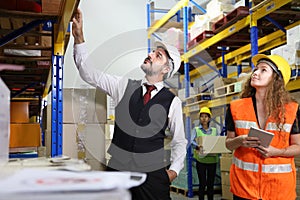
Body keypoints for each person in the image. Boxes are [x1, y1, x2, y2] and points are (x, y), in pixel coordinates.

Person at [72, 8, 187, 200]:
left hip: (153, 177)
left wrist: (174, 171)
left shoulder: (172, 101)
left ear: (166, 69)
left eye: (158, 55)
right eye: (152, 52)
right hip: (118, 171)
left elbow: (180, 141)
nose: (151, 55)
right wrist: (79, 37)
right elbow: (88, 73)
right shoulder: (123, 85)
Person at [225, 54, 300, 200]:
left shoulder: (292, 110)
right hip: (244, 188)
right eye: (255, 69)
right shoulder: (236, 108)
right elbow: (228, 144)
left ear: (275, 79)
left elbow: (298, 146)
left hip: (278, 190)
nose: (255, 73)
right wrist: (240, 141)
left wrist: (276, 151)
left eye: (263, 70)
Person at [191, 107, 219, 200]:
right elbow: (191, 141)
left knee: (210, 184)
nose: (204, 118)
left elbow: (218, 142)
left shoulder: (214, 131)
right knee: (202, 183)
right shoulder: (196, 130)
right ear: (199, 118)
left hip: (212, 161)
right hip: (201, 160)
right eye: (202, 116)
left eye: (206, 116)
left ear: (209, 118)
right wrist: (197, 146)